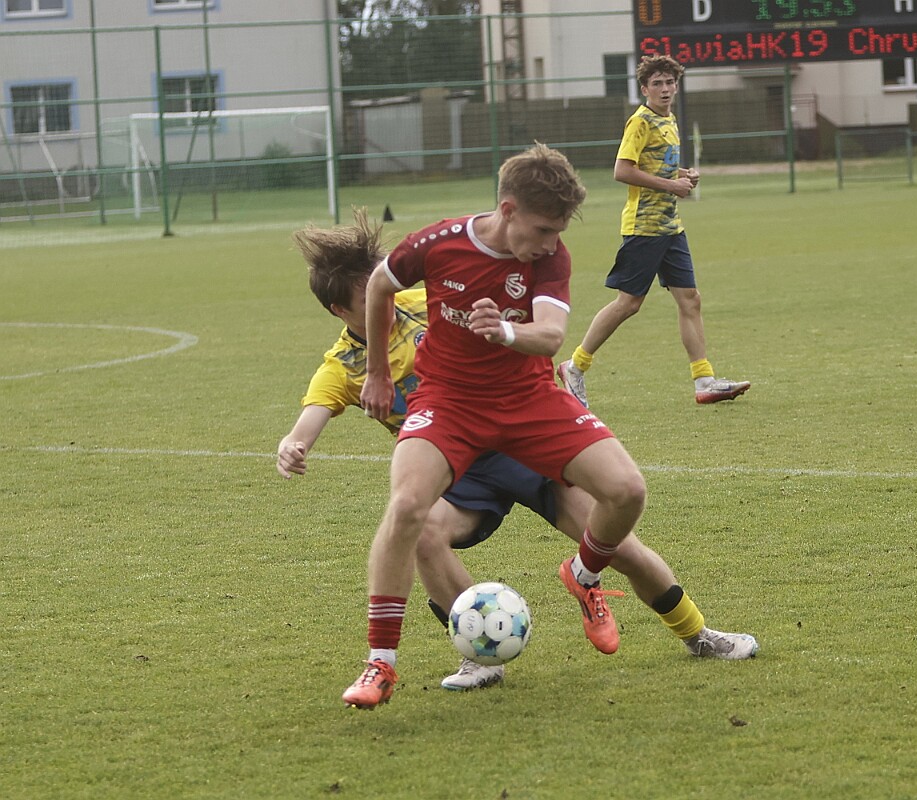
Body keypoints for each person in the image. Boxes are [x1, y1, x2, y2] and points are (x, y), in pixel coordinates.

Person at [277, 209, 758, 697]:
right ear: (340, 311)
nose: (388, 301)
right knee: (421, 531)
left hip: (521, 439)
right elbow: (310, 419)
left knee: (621, 547)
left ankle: (697, 634)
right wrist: (294, 445)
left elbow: (518, 312)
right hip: (460, 468)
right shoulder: (343, 366)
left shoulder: (428, 299)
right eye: (368, 300)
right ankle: (478, 654)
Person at [557, 54, 750, 408]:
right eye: (657, 83)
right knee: (628, 304)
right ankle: (575, 366)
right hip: (644, 227)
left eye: (669, 82)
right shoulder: (640, 122)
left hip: (670, 226)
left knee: (690, 299)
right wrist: (671, 185)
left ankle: (704, 381)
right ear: (644, 88)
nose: (665, 89)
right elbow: (622, 170)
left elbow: (658, 167)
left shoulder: (669, 119)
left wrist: (683, 175)